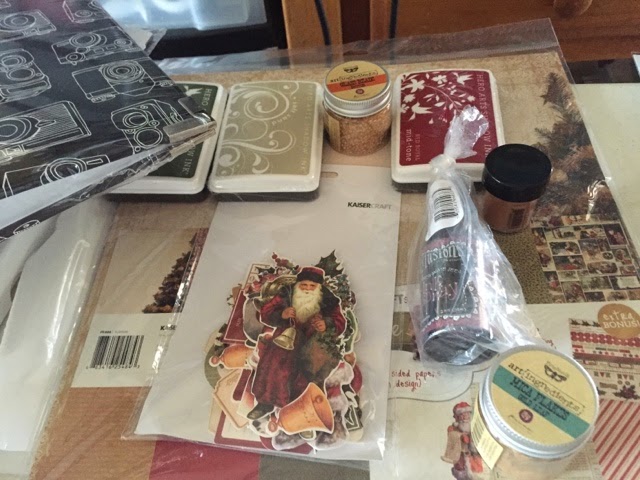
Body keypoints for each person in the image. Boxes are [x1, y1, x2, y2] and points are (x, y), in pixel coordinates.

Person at [247, 267, 346, 420]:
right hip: (286, 336)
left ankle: (300, 410)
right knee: (274, 365)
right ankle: (266, 403)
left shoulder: (329, 300)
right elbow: (266, 312)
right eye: (304, 285)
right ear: (298, 285)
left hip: (312, 340)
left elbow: (339, 321)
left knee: (308, 372)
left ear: (319, 288)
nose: (307, 289)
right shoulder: (286, 293)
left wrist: (326, 324)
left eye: (312, 286)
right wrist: (282, 314)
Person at [441, 402, 483, 480]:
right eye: (462, 415)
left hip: (474, 457)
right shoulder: (453, 428)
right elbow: (452, 436)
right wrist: (461, 436)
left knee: (478, 473)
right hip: (461, 459)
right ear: (458, 417)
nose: (465, 417)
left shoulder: (474, 425)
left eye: (467, 414)